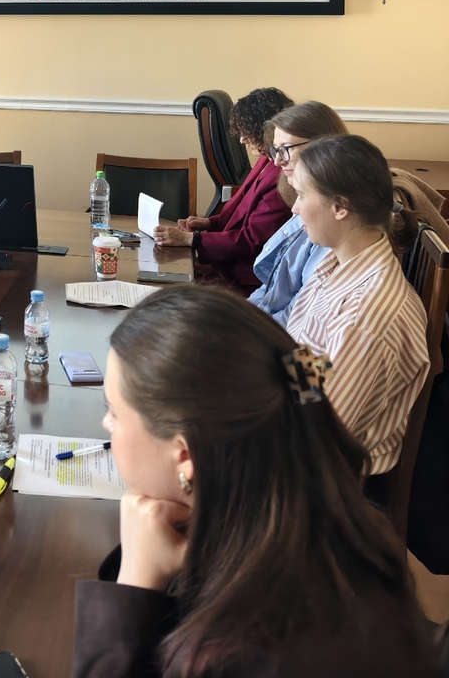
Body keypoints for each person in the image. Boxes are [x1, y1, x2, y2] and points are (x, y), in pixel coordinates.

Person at [71, 286, 436, 678]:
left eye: (114, 412)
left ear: (185, 456)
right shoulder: (307, 526)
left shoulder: (237, 652)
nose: (106, 424)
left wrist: (134, 586)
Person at [286, 135, 428, 475]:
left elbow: (321, 434)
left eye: (302, 195)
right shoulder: (335, 263)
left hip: (320, 473)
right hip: (293, 421)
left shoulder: (365, 318)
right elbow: (303, 361)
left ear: (340, 207)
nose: (294, 208)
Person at [155, 86, 293, 291]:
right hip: (227, 264)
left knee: (168, 286)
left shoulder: (281, 176)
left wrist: (191, 239)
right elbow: (243, 211)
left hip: (243, 277)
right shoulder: (266, 159)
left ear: (265, 129)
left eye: (247, 131)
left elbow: (250, 240)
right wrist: (209, 222)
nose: (242, 139)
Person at [248, 100, 347, 325]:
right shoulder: (305, 199)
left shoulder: (330, 224)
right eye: (275, 150)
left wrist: (243, 330)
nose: (276, 161)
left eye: (285, 149)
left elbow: (299, 320)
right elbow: (272, 288)